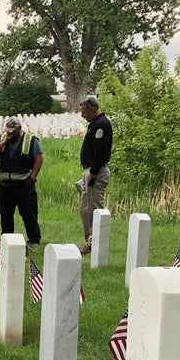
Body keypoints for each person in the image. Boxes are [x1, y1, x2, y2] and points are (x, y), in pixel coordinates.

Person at [0, 117, 42, 244]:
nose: (10, 133)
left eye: (12, 131)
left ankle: (34, 239)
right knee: (5, 213)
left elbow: (39, 158)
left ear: (19, 129)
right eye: (8, 131)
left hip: (23, 184)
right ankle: (7, 238)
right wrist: (5, 141)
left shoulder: (30, 140)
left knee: (28, 213)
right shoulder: (2, 139)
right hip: (4, 185)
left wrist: (32, 178)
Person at [77, 95, 112, 255]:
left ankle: (95, 244)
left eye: (84, 111)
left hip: (95, 171)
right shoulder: (94, 124)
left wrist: (94, 172)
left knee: (94, 210)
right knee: (84, 209)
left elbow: (100, 151)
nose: (82, 115)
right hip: (89, 170)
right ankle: (90, 241)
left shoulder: (101, 125)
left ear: (92, 109)